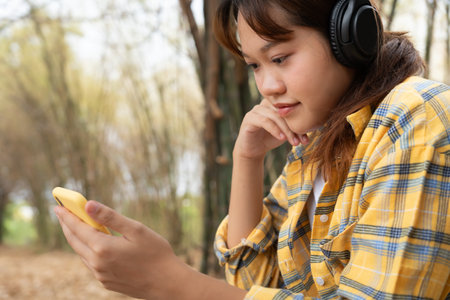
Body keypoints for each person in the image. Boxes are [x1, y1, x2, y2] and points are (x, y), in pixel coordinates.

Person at [54, 0, 449, 299]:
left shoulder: (415, 117)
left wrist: (171, 283)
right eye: (254, 66)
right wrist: (248, 159)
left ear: (351, 38)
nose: (267, 86)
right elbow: (251, 284)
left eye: (279, 58)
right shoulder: (311, 154)